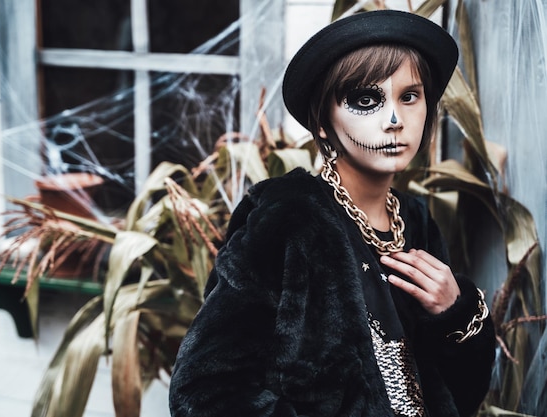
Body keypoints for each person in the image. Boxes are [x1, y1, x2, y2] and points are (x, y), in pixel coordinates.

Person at [168, 9, 496, 417]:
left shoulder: (415, 220)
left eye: (409, 96)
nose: (394, 120)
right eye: (365, 100)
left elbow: (459, 394)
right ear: (323, 122)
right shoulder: (288, 215)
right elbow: (204, 390)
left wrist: (455, 313)